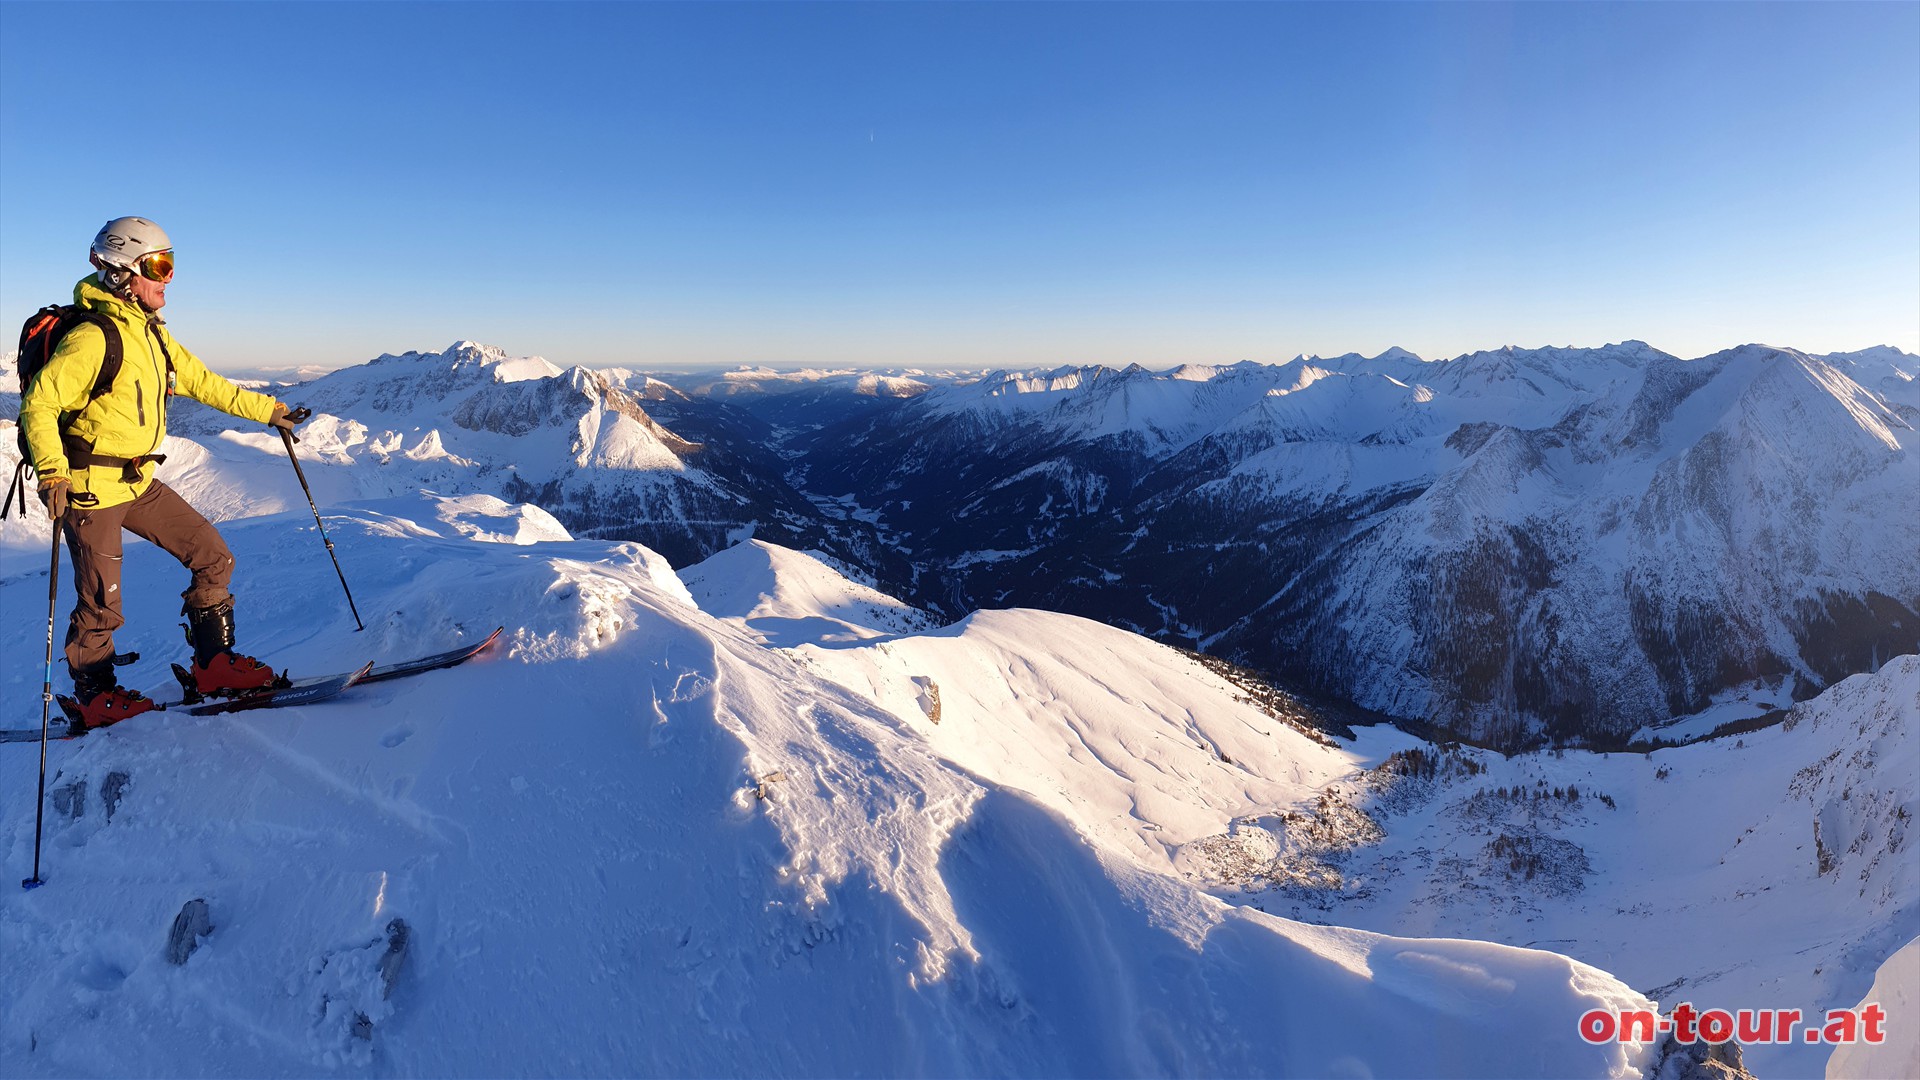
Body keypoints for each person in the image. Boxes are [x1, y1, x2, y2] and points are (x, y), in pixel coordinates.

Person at [20, 216, 305, 728]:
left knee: (212, 554)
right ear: (120, 273)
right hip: (90, 491)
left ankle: (213, 665)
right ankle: (94, 696)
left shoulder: (150, 335)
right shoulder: (92, 339)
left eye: (170, 265)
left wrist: (269, 412)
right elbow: (39, 405)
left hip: (137, 482)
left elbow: (202, 381)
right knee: (102, 604)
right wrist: (52, 474)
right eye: (158, 265)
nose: (168, 278)